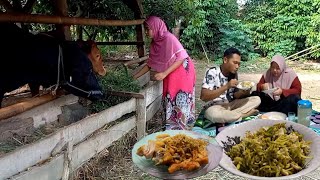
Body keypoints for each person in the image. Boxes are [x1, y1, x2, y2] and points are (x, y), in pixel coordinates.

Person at [133, 16, 196, 130]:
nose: (146, 32)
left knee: (178, 96)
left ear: (156, 27)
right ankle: (171, 127)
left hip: (182, 70)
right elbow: (150, 64)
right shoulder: (155, 43)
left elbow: (181, 57)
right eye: (145, 29)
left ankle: (180, 128)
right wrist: (134, 77)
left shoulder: (169, 38)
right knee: (169, 95)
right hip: (170, 71)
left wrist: (164, 73)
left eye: (148, 29)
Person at [200, 47, 261, 123]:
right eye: (235, 63)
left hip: (231, 105)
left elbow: (235, 96)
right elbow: (203, 97)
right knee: (213, 114)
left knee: (256, 99)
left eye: (239, 64)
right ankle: (243, 115)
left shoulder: (233, 74)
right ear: (225, 60)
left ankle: (233, 115)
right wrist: (226, 86)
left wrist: (244, 92)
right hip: (215, 107)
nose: (237, 67)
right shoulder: (212, 72)